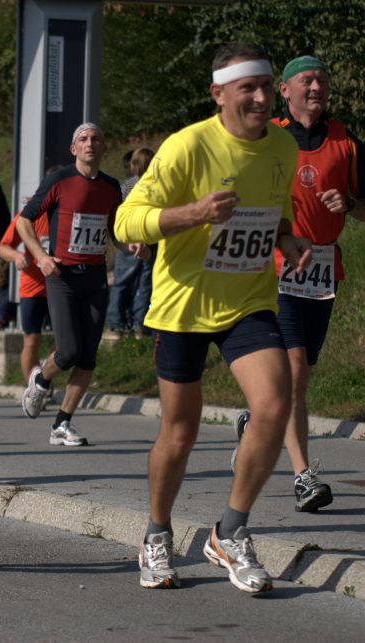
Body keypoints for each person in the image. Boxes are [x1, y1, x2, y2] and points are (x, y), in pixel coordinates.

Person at [116, 43, 312, 593]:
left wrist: (288, 237)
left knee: (274, 403)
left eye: (266, 87)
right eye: (246, 88)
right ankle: (156, 533)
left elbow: (278, 211)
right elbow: (125, 223)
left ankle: (231, 531)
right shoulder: (187, 146)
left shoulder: (281, 143)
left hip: (248, 299)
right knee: (180, 434)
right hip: (182, 306)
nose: (258, 97)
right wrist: (193, 214)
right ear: (218, 93)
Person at [231, 56, 365, 512]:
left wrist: (347, 203)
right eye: (306, 79)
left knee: (299, 379)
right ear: (284, 90)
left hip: (324, 269)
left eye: (323, 79)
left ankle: (256, 422)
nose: (316, 86)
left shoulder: (346, 140)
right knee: (292, 371)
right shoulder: (266, 136)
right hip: (275, 266)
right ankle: (304, 477)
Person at [17, 122, 138, 446]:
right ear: (74, 149)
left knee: (87, 357)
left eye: (96, 138)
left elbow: (114, 233)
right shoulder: (60, 179)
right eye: (83, 138)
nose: (90, 143)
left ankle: (62, 424)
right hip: (62, 277)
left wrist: (132, 245)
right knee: (68, 350)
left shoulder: (112, 187)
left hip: (96, 278)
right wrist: (41, 256)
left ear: (103, 147)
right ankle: (41, 380)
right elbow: (25, 220)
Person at [106, 147, 156, 339]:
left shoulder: (126, 186)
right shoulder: (157, 186)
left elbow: (117, 212)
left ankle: (115, 324)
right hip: (150, 239)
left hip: (128, 239)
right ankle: (139, 325)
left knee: (122, 283)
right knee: (145, 284)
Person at [0, 210, 50, 379]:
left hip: (62, 286)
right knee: (32, 340)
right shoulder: (30, 214)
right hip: (33, 286)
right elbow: (2, 248)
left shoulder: (70, 210)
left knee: (69, 345)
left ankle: (44, 378)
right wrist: (16, 255)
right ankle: (33, 389)